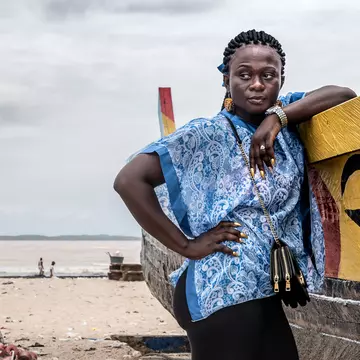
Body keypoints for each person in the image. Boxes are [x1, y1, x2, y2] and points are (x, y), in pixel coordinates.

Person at [113, 29, 356, 360]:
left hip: (262, 289)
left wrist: (276, 119)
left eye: (268, 75)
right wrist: (186, 246)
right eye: (244, 75)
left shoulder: (286, 117)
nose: (257, 84)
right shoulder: (207, 134)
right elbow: (129, 181)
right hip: (222, 289)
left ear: (281, 80)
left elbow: (343, 95)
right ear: (226, 80)